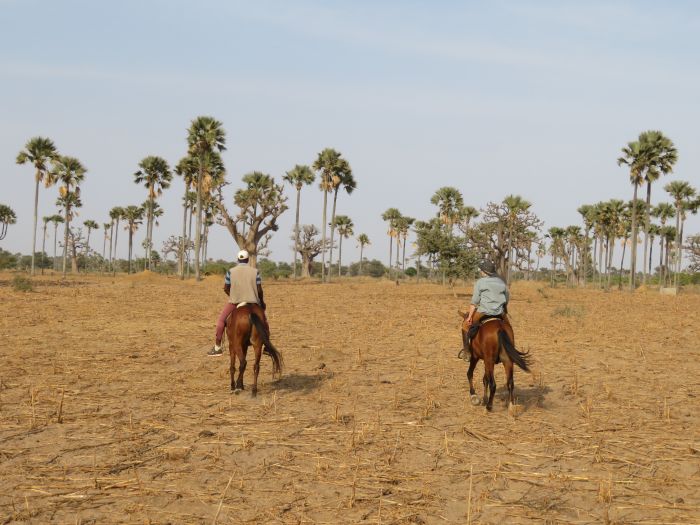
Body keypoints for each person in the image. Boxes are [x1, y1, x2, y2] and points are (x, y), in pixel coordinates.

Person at [208, 249, 268, 357]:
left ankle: (217, 347)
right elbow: (259, 290)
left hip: (235, 302)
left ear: (238, 259)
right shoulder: (255, 272)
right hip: (253, 301)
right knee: (264, 321)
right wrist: (262, 302)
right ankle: (267, 346)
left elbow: (226, 288)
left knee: (221, 320)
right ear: (247, 259)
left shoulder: (230, 271)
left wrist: (233, 296)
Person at [458, 260, 511, 359]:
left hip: (484, 312)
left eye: (481, 270)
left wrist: (469, 317)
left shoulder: (480, 282)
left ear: (484, 272)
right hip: (500, 312)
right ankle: (510, 348)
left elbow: (474, 302)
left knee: (465, 325)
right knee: (508, 327)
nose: (480, 271)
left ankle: (466, 352)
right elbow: (507, 298)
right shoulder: (501, 282)